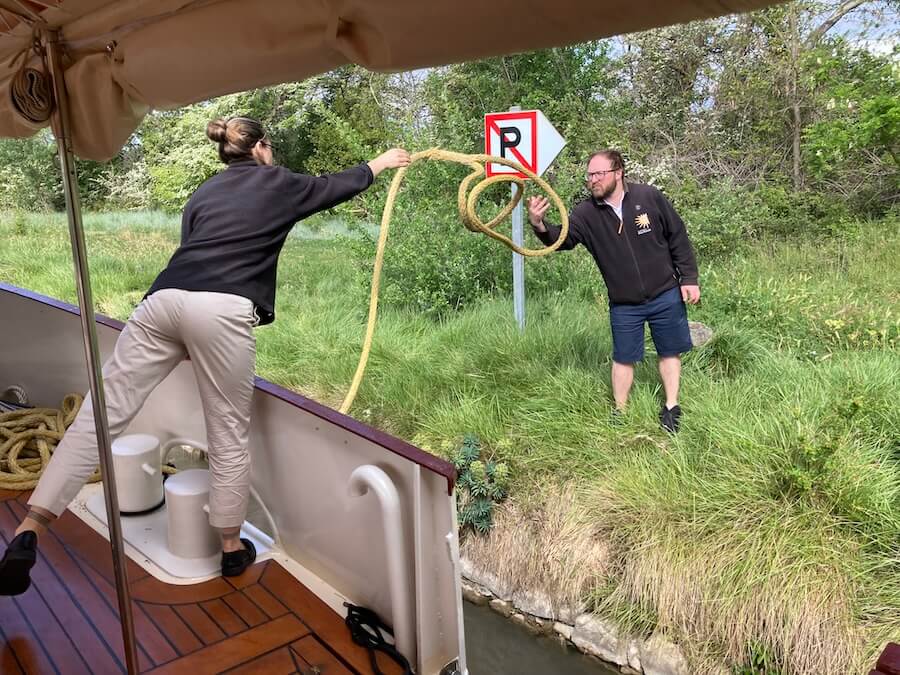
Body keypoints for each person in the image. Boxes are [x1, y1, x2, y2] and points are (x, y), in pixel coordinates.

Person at [0, 116, 411, 595]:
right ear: (262, 148)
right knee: (228, 430)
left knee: (100, 416)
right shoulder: (277, 181)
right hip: (220, 308)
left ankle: (30, 529)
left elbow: (194, 248)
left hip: (162, 302)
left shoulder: (203, 193)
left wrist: (188, 338)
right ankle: (232, 546)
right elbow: (333, 187)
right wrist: (382, 162)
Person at [528, 149, 700, 433]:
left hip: (665, 292)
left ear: (618, 172)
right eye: (590, 175)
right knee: (623, 357)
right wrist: (538, 224)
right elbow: (563, 240)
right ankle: (620, 412)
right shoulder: (586, 213)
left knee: (669, 351)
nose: (592, 180)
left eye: (599, 174)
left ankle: (671, 406)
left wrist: (689, 278)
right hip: (624, 302)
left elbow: (677, 236)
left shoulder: (648, 197)